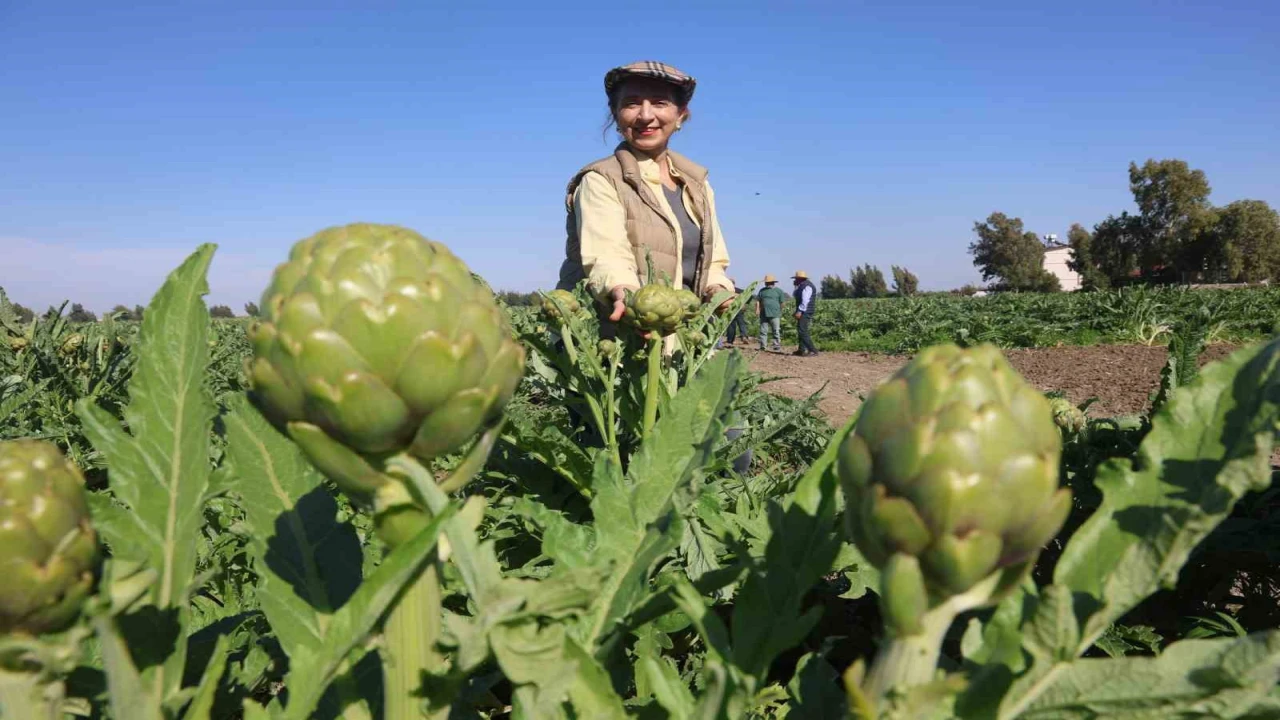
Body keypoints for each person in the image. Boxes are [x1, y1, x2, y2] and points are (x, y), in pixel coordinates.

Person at [556, 60, 735, 331]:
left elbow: (712, 260)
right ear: (615, 114)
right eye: (631, 103)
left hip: (678, 336)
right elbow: (606, 256)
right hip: (613, 338)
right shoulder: (601, 179)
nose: (645, 115)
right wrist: (623, 293)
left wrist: (719, 292)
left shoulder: (697, 184)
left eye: (660, 103)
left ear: (681, 115)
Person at [792, 270, 819, 357]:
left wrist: (799, 311)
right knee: (801, 330)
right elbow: (795, 295)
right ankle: (801, 350)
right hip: (804, 310)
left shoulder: (807, 286)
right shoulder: (801, 286)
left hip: (805, 311)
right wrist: (796, 287)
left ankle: (812, 350)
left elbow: (805, 301)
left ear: (799, 279)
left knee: (802, 330)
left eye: (796, 279)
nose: (794, 280)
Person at [755, 274, 786, 351]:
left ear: (773, 282)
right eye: (766, 282)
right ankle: (763, 346)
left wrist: (779, 310)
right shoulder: (762, 291)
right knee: (763, 331)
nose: (767, 284)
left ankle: (776, 346)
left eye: (769, 282)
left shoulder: (779, 291)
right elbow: (758, 301)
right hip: (764, 313)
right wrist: (757, 309)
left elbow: (782, 303)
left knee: (776, 330)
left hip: (775, 314)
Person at [722, 279, 749, 346]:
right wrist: (744, 305)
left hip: (730, 309)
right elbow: (748, 297)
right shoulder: (739, 291)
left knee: (731, 325)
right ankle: (744, 336)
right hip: (739, 309)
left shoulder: (726, 291)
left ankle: (730, 340)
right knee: (741, 323)